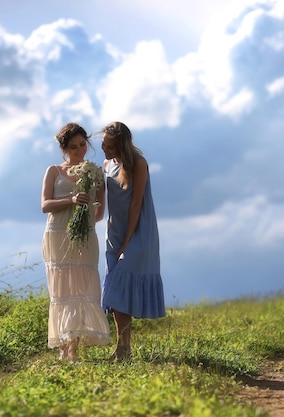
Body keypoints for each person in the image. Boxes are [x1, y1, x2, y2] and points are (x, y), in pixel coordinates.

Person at [41, 122, 110, 362]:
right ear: (64, 148)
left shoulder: (95, 172)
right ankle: (63, 346)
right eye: (73, 147)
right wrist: (71, 200)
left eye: (83, 145)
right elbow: (44, 205)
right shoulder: (54, 171)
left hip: (84, 235)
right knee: (61, 290)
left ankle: (73, 349)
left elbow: (100, 211)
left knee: (82, 289)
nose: (80, 151)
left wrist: (85, 218)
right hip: (57, 233)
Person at [100, 121, 166, 361]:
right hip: (114, 231)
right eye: (103, 145)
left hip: (138, 231)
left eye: (108, 146)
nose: (104, 150)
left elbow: (136, 203)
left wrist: (128, 240)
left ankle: (123, 348)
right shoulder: (107, 164)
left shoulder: (138, 163)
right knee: (117, 292)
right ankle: (123, 348)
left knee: (121, 283)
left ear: (120, 145)